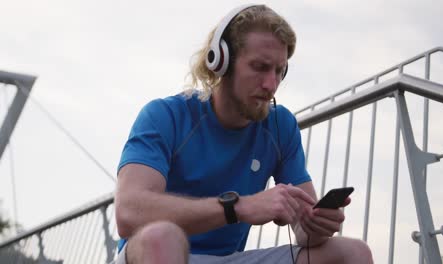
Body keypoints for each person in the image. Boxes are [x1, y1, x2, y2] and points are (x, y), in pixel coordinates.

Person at [113, 4, 373, 264]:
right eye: (260, 67)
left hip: (227, 259)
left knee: (353, 253)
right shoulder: (165, 115)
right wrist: (239, 207)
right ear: (221, 62)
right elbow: (128, 214)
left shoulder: (281, 125)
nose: (271, 84)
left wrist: (316, 226)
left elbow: (304, 233)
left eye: (279, 71)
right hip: (153, 254)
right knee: (163, 236)